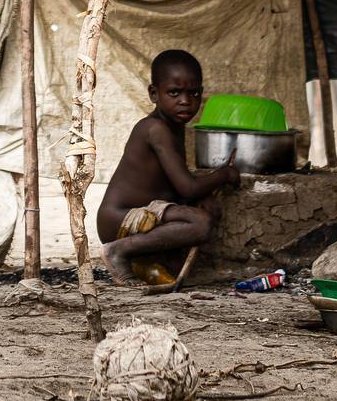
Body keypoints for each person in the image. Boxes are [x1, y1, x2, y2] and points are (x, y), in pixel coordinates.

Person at [96, 48, 238, 287]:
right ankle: (118, 250)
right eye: (174, 92)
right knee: (200, 224)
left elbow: (176, 184)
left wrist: (201, 197)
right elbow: (187, 188)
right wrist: (224, 174)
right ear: (154, 93)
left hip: (150, 212)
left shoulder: (174, 126)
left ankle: (138, 259)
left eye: (193, 93)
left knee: (174, 267)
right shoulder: (155, 129)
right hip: (122, 218)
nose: (185, 101)